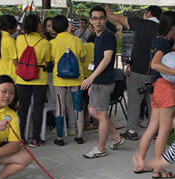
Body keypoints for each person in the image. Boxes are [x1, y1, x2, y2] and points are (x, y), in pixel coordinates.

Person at [132, 10, 175, 177]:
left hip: (155, 87)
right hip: (164, 88)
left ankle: (140, 163)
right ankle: (158, 169)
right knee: (164, 130)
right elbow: (155, 64)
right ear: (173, 26)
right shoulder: (164, 44)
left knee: (152, 127)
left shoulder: (162, 40)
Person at [105, 5, 161, 141]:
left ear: (148, 13)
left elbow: (119, 18)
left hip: (138, 70)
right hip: (157, 72)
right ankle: (155, 131)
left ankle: (132, 130)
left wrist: (108, 13)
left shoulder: (142, 23)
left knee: (135, 101)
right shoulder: (163, 28)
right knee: (153, 103)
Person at [80, 6, 123, 159]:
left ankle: (100, 148)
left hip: (105, 81)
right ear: (91, 20)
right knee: (94, 111)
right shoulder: (98, 36)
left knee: (101, 114)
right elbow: (96, 61)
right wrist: (93, 82)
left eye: (101, 18)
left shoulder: (107, 36)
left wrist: (91, 79)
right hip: (98, 81)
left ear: (105, 19)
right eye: (95, 18)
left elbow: (106, 59)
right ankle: (116, 137)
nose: (98, 21)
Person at [15, 14, 51, 148]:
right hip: (39, 79)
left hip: (21, 79)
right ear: (37, 25)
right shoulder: (44, 43)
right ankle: (36, 138)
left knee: (22, 108)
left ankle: (20, 137)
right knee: (38, 108)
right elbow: (47, 61)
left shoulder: (19, 39)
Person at [50, 15, 86, 146]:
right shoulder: (77, 41)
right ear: (67, 26)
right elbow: (82, 59)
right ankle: (79, 136)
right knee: (78, 107)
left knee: (60, 107)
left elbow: (52, 60)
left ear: (54, 28)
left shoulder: (52, 43)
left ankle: (60, 137)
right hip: (76, 78)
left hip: (59, 79)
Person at [0, 15, 18, 81]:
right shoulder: (9, 40)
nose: (17, 28)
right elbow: (15, 61)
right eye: (16, 26)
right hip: (9, 78)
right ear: (10, 27)